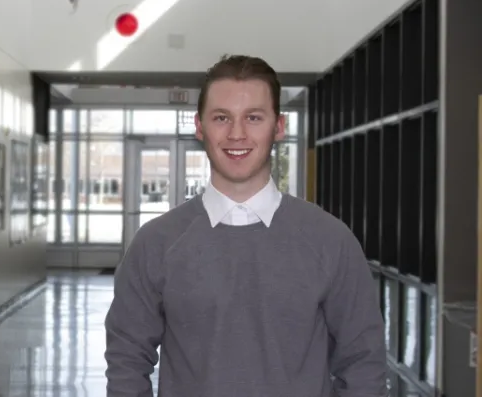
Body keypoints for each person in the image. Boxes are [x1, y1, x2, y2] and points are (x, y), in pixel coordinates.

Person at [104, 55, 387, 396]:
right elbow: (126, 361)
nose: (236, 134)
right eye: (222, 118)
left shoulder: (331, 241)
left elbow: (364, 364)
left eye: (253, 117)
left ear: (279, 127)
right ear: (200, 126)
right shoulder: (156, 243)